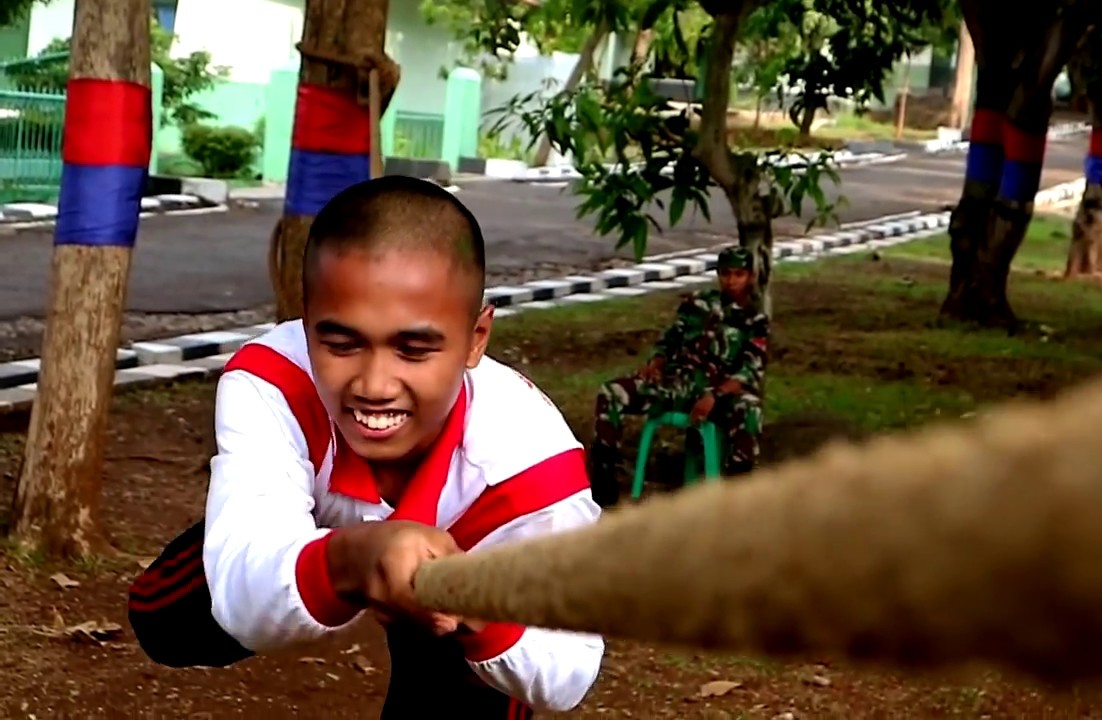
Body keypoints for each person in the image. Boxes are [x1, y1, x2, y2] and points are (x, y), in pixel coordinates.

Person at [127, 175, 604, 718]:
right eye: (341, 343)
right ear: (305, 327)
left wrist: (476, 612)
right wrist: (353, 561)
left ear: (476, 339)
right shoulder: (275, 380)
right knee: (165, 620)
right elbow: (240, 597)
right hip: (308, 534)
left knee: (476, 683)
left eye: (414, 348)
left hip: (468, 572)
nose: (375, 385)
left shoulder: (531, 468)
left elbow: (569, 668)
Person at [588, 246, 769, 508]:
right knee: (611, 393)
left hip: (719, 392)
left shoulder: (755, 320)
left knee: (749, 409)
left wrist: (714, 396)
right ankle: (604, 489)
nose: (731, 281)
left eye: (739, 274)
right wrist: (656, 364)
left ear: (750, 277)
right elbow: (669, 341)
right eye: (726, 274)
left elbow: (750, 369)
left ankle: (736, 497)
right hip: (677, 383)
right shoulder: (697, 304)